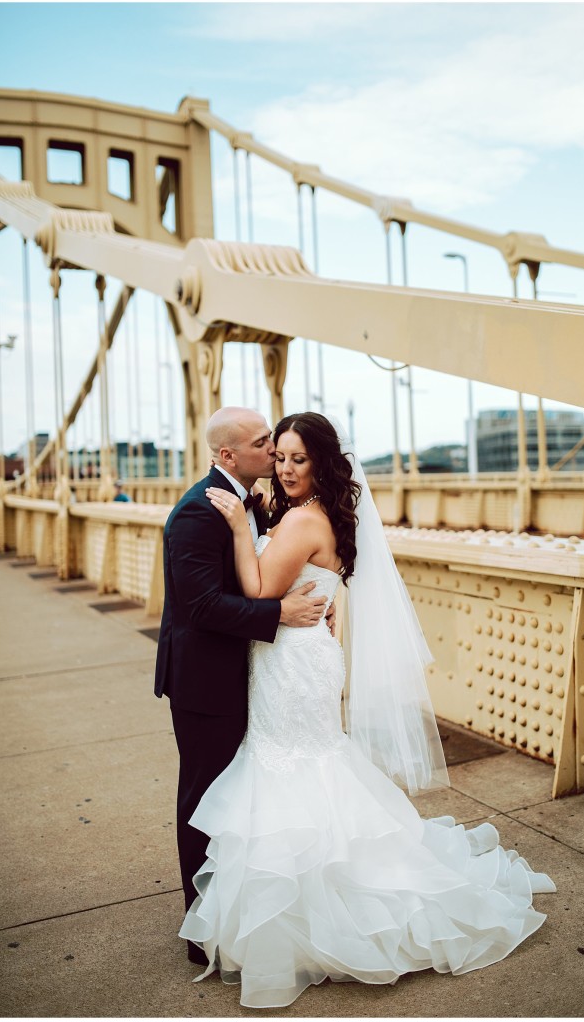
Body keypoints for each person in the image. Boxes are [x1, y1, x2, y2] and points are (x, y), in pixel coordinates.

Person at [178, 411, 556, 1009]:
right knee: (309, 765)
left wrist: (234, 533)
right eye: (279, 456)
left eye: (298, 459)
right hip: (303, 656)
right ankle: (312, 895)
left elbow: (257, 592)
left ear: (322, 462)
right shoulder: (322, 514)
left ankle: (313, 908)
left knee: (294, 767)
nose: (285, 467)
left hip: (291, 666)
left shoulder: (301, 519)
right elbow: (303, 585)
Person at [154, 407, 331, 967]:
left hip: (251, 676)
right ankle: (201, 928)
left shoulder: (255, 504)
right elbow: (202, 606)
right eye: (266, 446)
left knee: (246, 800)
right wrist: (280, 611)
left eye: (284, 451)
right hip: (205, 683)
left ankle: (241, 910)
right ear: (228, 456)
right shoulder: (196, 514)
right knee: (205, 802)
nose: (274, 453)